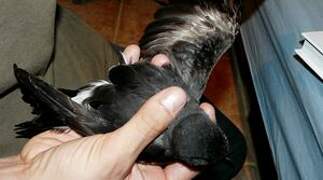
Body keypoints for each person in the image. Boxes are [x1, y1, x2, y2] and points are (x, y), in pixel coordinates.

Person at [0, 1, 246, 179]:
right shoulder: (163, 148)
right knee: (233, 155)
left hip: (90, 92)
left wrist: (30, 172)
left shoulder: (186, 91)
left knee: (220, 23)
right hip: (87, 109)